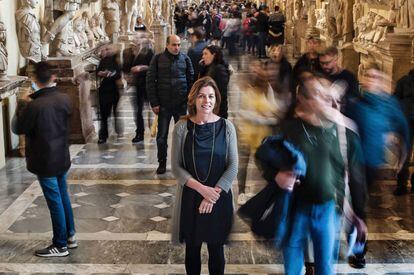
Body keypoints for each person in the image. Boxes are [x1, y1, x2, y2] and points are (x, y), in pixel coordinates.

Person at [275, 73, 368, 275]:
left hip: (327, 208)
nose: (329, 101)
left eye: (331, 98)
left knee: (325, 265)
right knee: (292, 263)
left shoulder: (346, 132)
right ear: (305, 101)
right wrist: (277, 175)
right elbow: (269, 156)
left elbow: (356, 177)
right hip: (295, 208)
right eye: (321, 96)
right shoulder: (291, 128)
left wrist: (359, 216)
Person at [171, 76, 238, 275]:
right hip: (191, 197)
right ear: (193, 99)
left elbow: (233, 165)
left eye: (210, 96)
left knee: (216, 251)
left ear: (216, 99)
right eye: (201, 96)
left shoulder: (227, 127)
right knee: (192, 250)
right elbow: (176, 167)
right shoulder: (181, 128)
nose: (206, 101)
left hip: (219, 197)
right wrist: (202, 190)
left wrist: (213, 194)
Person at [12, 61, 76, 257]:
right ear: (53, 78)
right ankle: (70, 236)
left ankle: (60, 245)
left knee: (54, 200)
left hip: (44, 159)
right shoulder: (65, 98)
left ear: (34, 80)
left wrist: (22, 104)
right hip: (62, 156)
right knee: (63, 195)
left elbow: (18, 128)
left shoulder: (35, 105)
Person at [146, 35, 194, 174]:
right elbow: (150, 81)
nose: (177, 47)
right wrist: (154, 102)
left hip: (180, 105)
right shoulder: (158, 58)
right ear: (167, 45)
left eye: (178, 45)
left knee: (182, 136)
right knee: (161, 137)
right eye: (174, 45)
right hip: (164, 105)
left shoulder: (185, 59)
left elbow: (191, 80)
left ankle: (181, 163)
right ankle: (162, 162)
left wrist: (189, 100)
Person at [124, 37, 154, 143]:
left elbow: (153, 66)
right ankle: (139, 133)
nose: (136, 43)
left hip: (148, 84)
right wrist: (127, 76)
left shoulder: (149, 52)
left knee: (151, 108)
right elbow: (126, 67)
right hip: (137, 85)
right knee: (138, 110)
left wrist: (141, 68)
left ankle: (153, 128)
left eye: (138, 40)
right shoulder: (130, 53)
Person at [319, 46, 360, 114]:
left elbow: (355, 101)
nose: (324, 66)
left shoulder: (349, 77)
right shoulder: (319, 75)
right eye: (321, 63)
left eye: (327, 63)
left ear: (336, 60)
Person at [96, 44, 123, 144]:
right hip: (104, 89)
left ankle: (118, 129)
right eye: (105, 49)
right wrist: (101, 73)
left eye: (108, 49)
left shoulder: (116, 60)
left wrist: (110, 74)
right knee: (104, 114)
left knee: (115, 112)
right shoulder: (103, 60)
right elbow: (98, 71)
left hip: (113, 90)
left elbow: (119, 73)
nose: (106, 51)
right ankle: (103, 135)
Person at [394, 68, 414, 195]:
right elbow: (395, 101)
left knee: (404, 154)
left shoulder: (403, 81)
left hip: (406, 120)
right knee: (404, 154)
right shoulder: (403, 81)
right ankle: (401, 184)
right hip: (406, 122)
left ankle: (404, 185)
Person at [199, 45, 230, 119]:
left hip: (217, 111)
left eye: (206, 54)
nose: (203, 57)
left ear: (214, 55)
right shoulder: (209, 67)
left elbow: (220, 93)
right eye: (203, 54)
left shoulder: (219, 69)